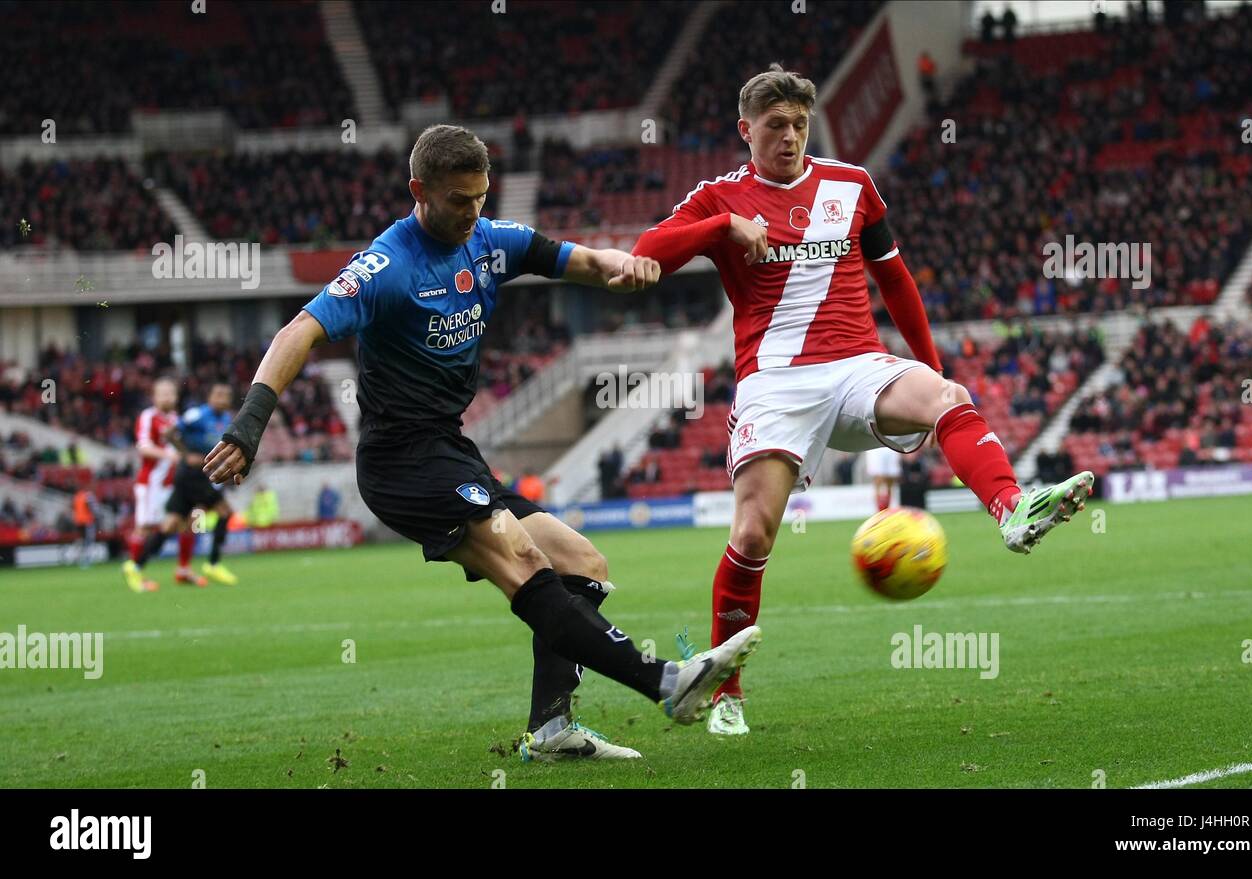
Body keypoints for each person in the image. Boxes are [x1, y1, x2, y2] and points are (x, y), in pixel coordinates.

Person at [202, 124, 762, 762]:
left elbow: (577, 260)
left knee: (582, 564)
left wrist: (625, 267)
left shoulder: (492, 241)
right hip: (399, 461)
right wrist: (249, 424)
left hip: (450, 449)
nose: (472, 213)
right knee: (520, 557)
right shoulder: (386, 266)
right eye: (458, 200)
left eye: (480, 197)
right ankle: (663, 681)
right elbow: (297, 331)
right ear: (420, 190)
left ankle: (551, 730)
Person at [631, 64, 1093, 736]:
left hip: (856, 365)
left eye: (798, 124)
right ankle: (727, 689)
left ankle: (1013, 511)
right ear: (745, 130)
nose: (788, 136)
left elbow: (896, 279)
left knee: (950, 395)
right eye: (774, 126)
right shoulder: (718, 196)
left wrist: (932, 374)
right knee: (753, 534)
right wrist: (724, 228)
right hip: (775, 381)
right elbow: (647, 254)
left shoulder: (852, 186)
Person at [129, 383, 241, 590]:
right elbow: (168, 434)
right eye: (218, 395)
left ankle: (138, 566)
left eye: (226, 396)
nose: (222, 400)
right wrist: (185, 455)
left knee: (174, 524)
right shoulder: (196, 414)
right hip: (188, 476)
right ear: (209, 397)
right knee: (225, 512)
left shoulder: (225, 418)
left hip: (185, 478)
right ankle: (213, 564)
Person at [122, 377, 180, 593]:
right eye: (163, 393)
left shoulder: (174, 418)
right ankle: (135, 572)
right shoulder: (149, 416)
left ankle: (181, 569)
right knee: (144, 527)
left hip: (168, 483)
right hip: (150, 482)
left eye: (171, 392)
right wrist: (170, 455)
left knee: (178, 523)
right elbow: (143, 448)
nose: (168, 396)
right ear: (154, 397)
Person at [72, 485, 98, 569]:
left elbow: (74, 509)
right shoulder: (88, 496)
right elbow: (93, 509)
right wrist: (96, 517)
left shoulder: (76, 497)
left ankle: (78, 558)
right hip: (87, 522)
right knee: (89, 541)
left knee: (81, 541)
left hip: (78, 522)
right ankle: (86, 560)